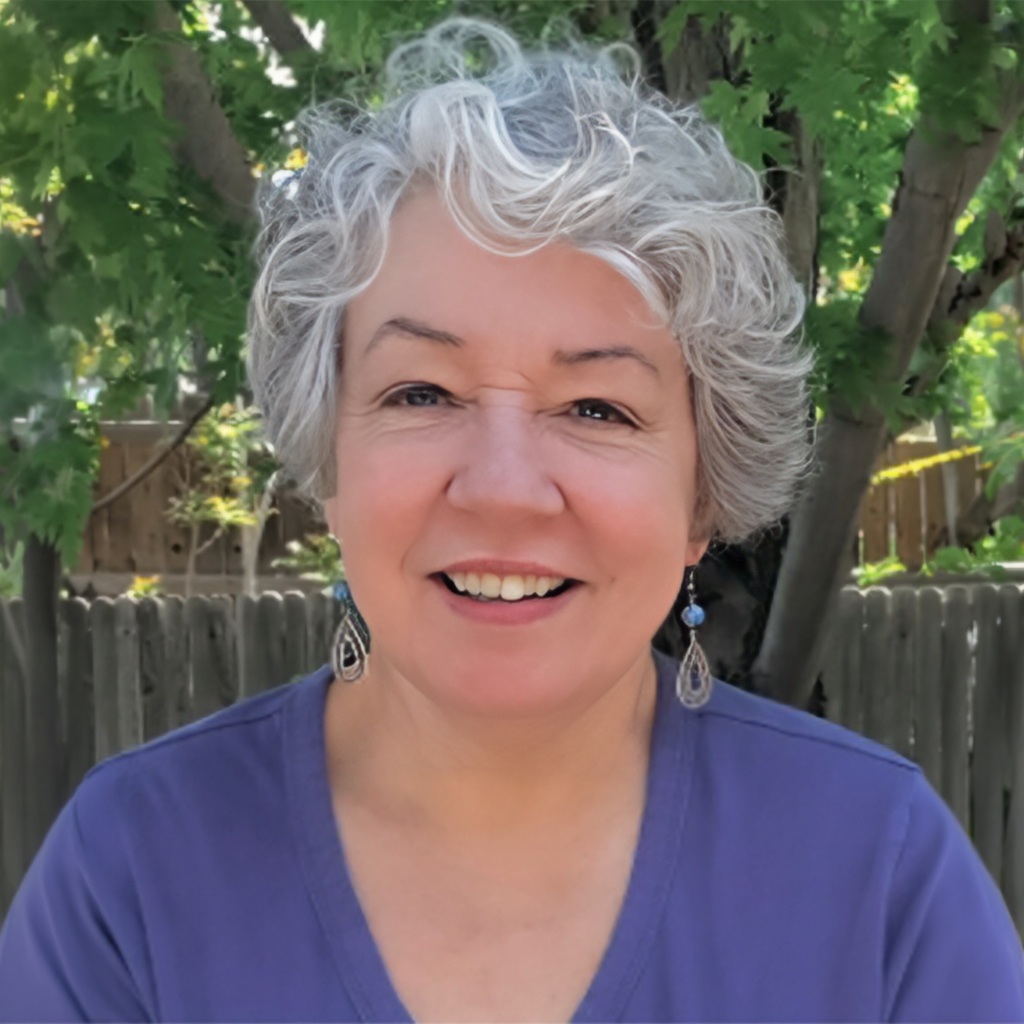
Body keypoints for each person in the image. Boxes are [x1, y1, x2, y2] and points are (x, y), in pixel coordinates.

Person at [1, 17, 1022, 1023]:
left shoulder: (876, 879)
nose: (500, 487)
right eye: (421, 393)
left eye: (595, 408)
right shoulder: (131, 879)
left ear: (702, 496)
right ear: (329, 461)